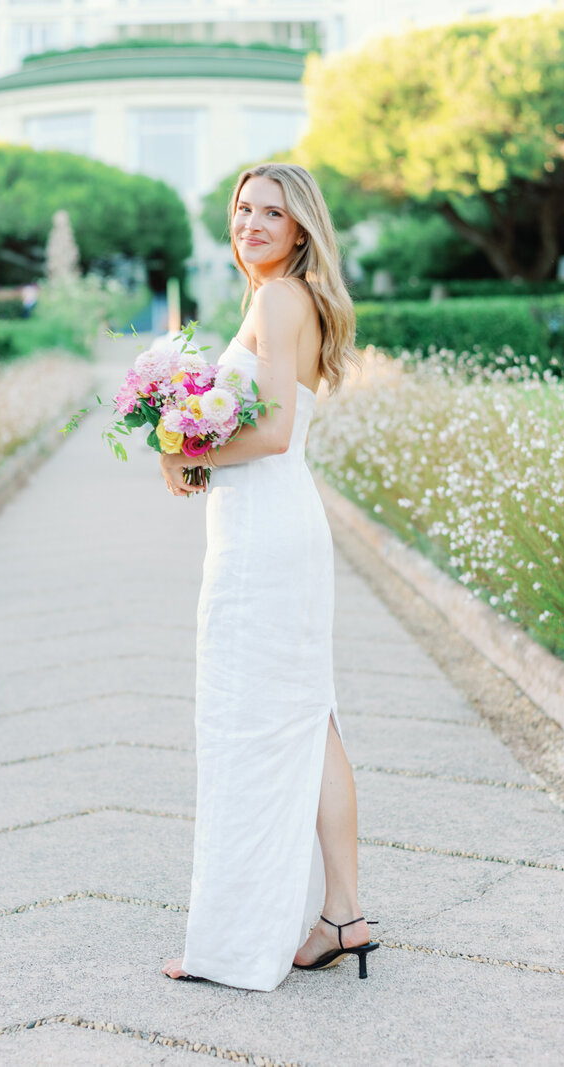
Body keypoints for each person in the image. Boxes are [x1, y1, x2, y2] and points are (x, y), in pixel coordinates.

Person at [158, 162, 378, 991]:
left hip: (265, 539)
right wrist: (197, 449)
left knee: (250, 724)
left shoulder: (278, 298)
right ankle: (343, 916)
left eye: (271, 213)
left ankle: (234, 940)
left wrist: (186, 448)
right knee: (305, 714)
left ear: (300, 227)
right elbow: (266, 425)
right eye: (243, 208)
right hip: (277, 524)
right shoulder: (298, 298)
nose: (250, 222)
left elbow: (278, 430)